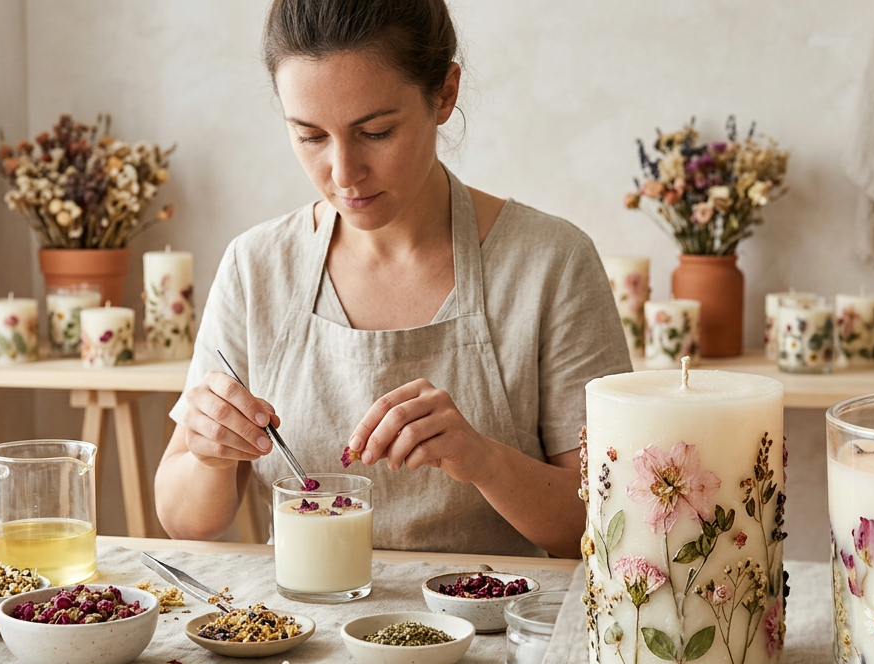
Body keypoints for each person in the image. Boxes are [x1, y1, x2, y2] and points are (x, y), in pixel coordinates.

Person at [155, 0, 630, 558]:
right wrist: (210, 455)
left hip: (497, 631)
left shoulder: (551, 264)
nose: (343, 172)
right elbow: (185, 520)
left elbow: (606, 519)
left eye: (376, 132)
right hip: (301, 635)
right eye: (310, 136)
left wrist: (483, 460)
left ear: (445, 94)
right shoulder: (256, 267)